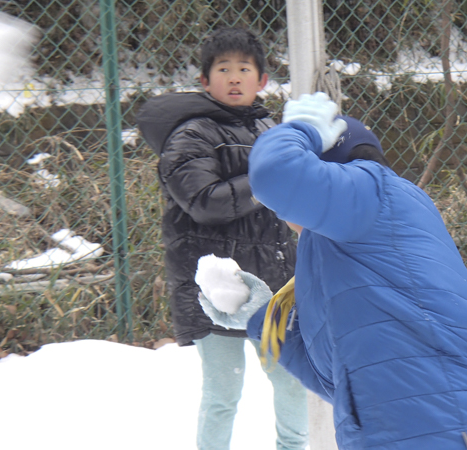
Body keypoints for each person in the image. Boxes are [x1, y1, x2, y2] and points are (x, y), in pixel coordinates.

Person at [197, 92, 467, 449]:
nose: (277, 211)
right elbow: (345, 382)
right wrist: (262, 316)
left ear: (331, 166)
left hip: (448, 428)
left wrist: (301, 130)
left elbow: (276, 175)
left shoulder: (375, 191)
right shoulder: (342, 249)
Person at [136, 27, 308, 450]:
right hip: (218, 290)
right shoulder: (191, 135)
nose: (235, 78)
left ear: (262, 80)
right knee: (223, 394)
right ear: (205, 81)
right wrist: (267, 179)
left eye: (244, 69)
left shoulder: (269, 127)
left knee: (291, 384)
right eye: (224, 69)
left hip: (270, 285)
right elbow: (203, 201)